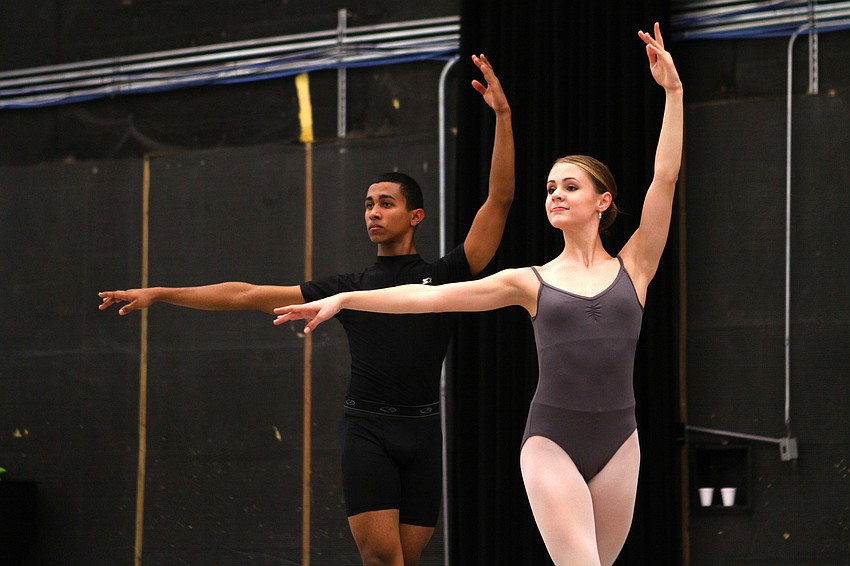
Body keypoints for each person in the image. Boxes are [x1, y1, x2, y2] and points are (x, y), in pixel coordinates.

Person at [273, 23, 681, 566]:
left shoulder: (637, 265)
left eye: (570, 187)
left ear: (603, 201)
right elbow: (427, 298)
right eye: (550, 188)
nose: (556, 194)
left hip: (621, 443)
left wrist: (672, 94)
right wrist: (347, 300)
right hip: (551, 444)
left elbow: (665, 177)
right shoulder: (528, 281)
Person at [99, 53, 514, 566]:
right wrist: (160, 292)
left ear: (416, 215)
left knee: (409, 560)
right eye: (367, 204)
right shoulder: (348, 288)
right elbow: (245, 293)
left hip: (425, 430)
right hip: (367, 429)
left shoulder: (447, 275)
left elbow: (499, 199)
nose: (373, 212)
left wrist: (501, 115)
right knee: (385, 560)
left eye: (385, 203)